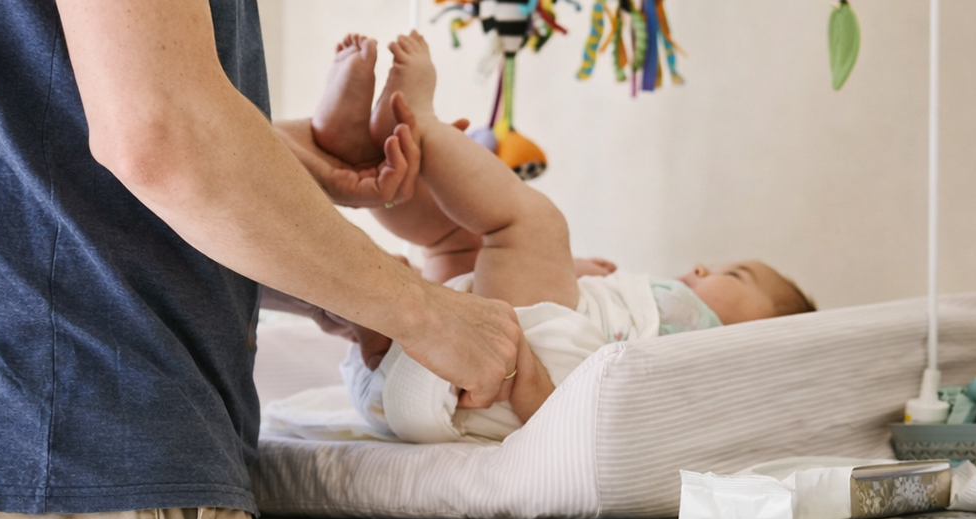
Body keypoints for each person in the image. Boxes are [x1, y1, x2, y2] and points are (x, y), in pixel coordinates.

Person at [0, 2, 531, 519]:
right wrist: (424, 312)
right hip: (85, 453)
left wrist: (313, 268)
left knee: (502, 236)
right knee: (519, 235)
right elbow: (161, 133)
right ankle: (399, 120)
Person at [310, 31, 815, 443]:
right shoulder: (643, 307)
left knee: (532, 225)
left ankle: (417, 122)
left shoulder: (707, 365)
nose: (705, 267)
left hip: (508, 375)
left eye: (736, 274)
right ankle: (364, 160)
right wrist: (576, 272)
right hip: (424, 374)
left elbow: (591, 418)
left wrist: (556, 271)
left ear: (758, 339)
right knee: (452, 245)